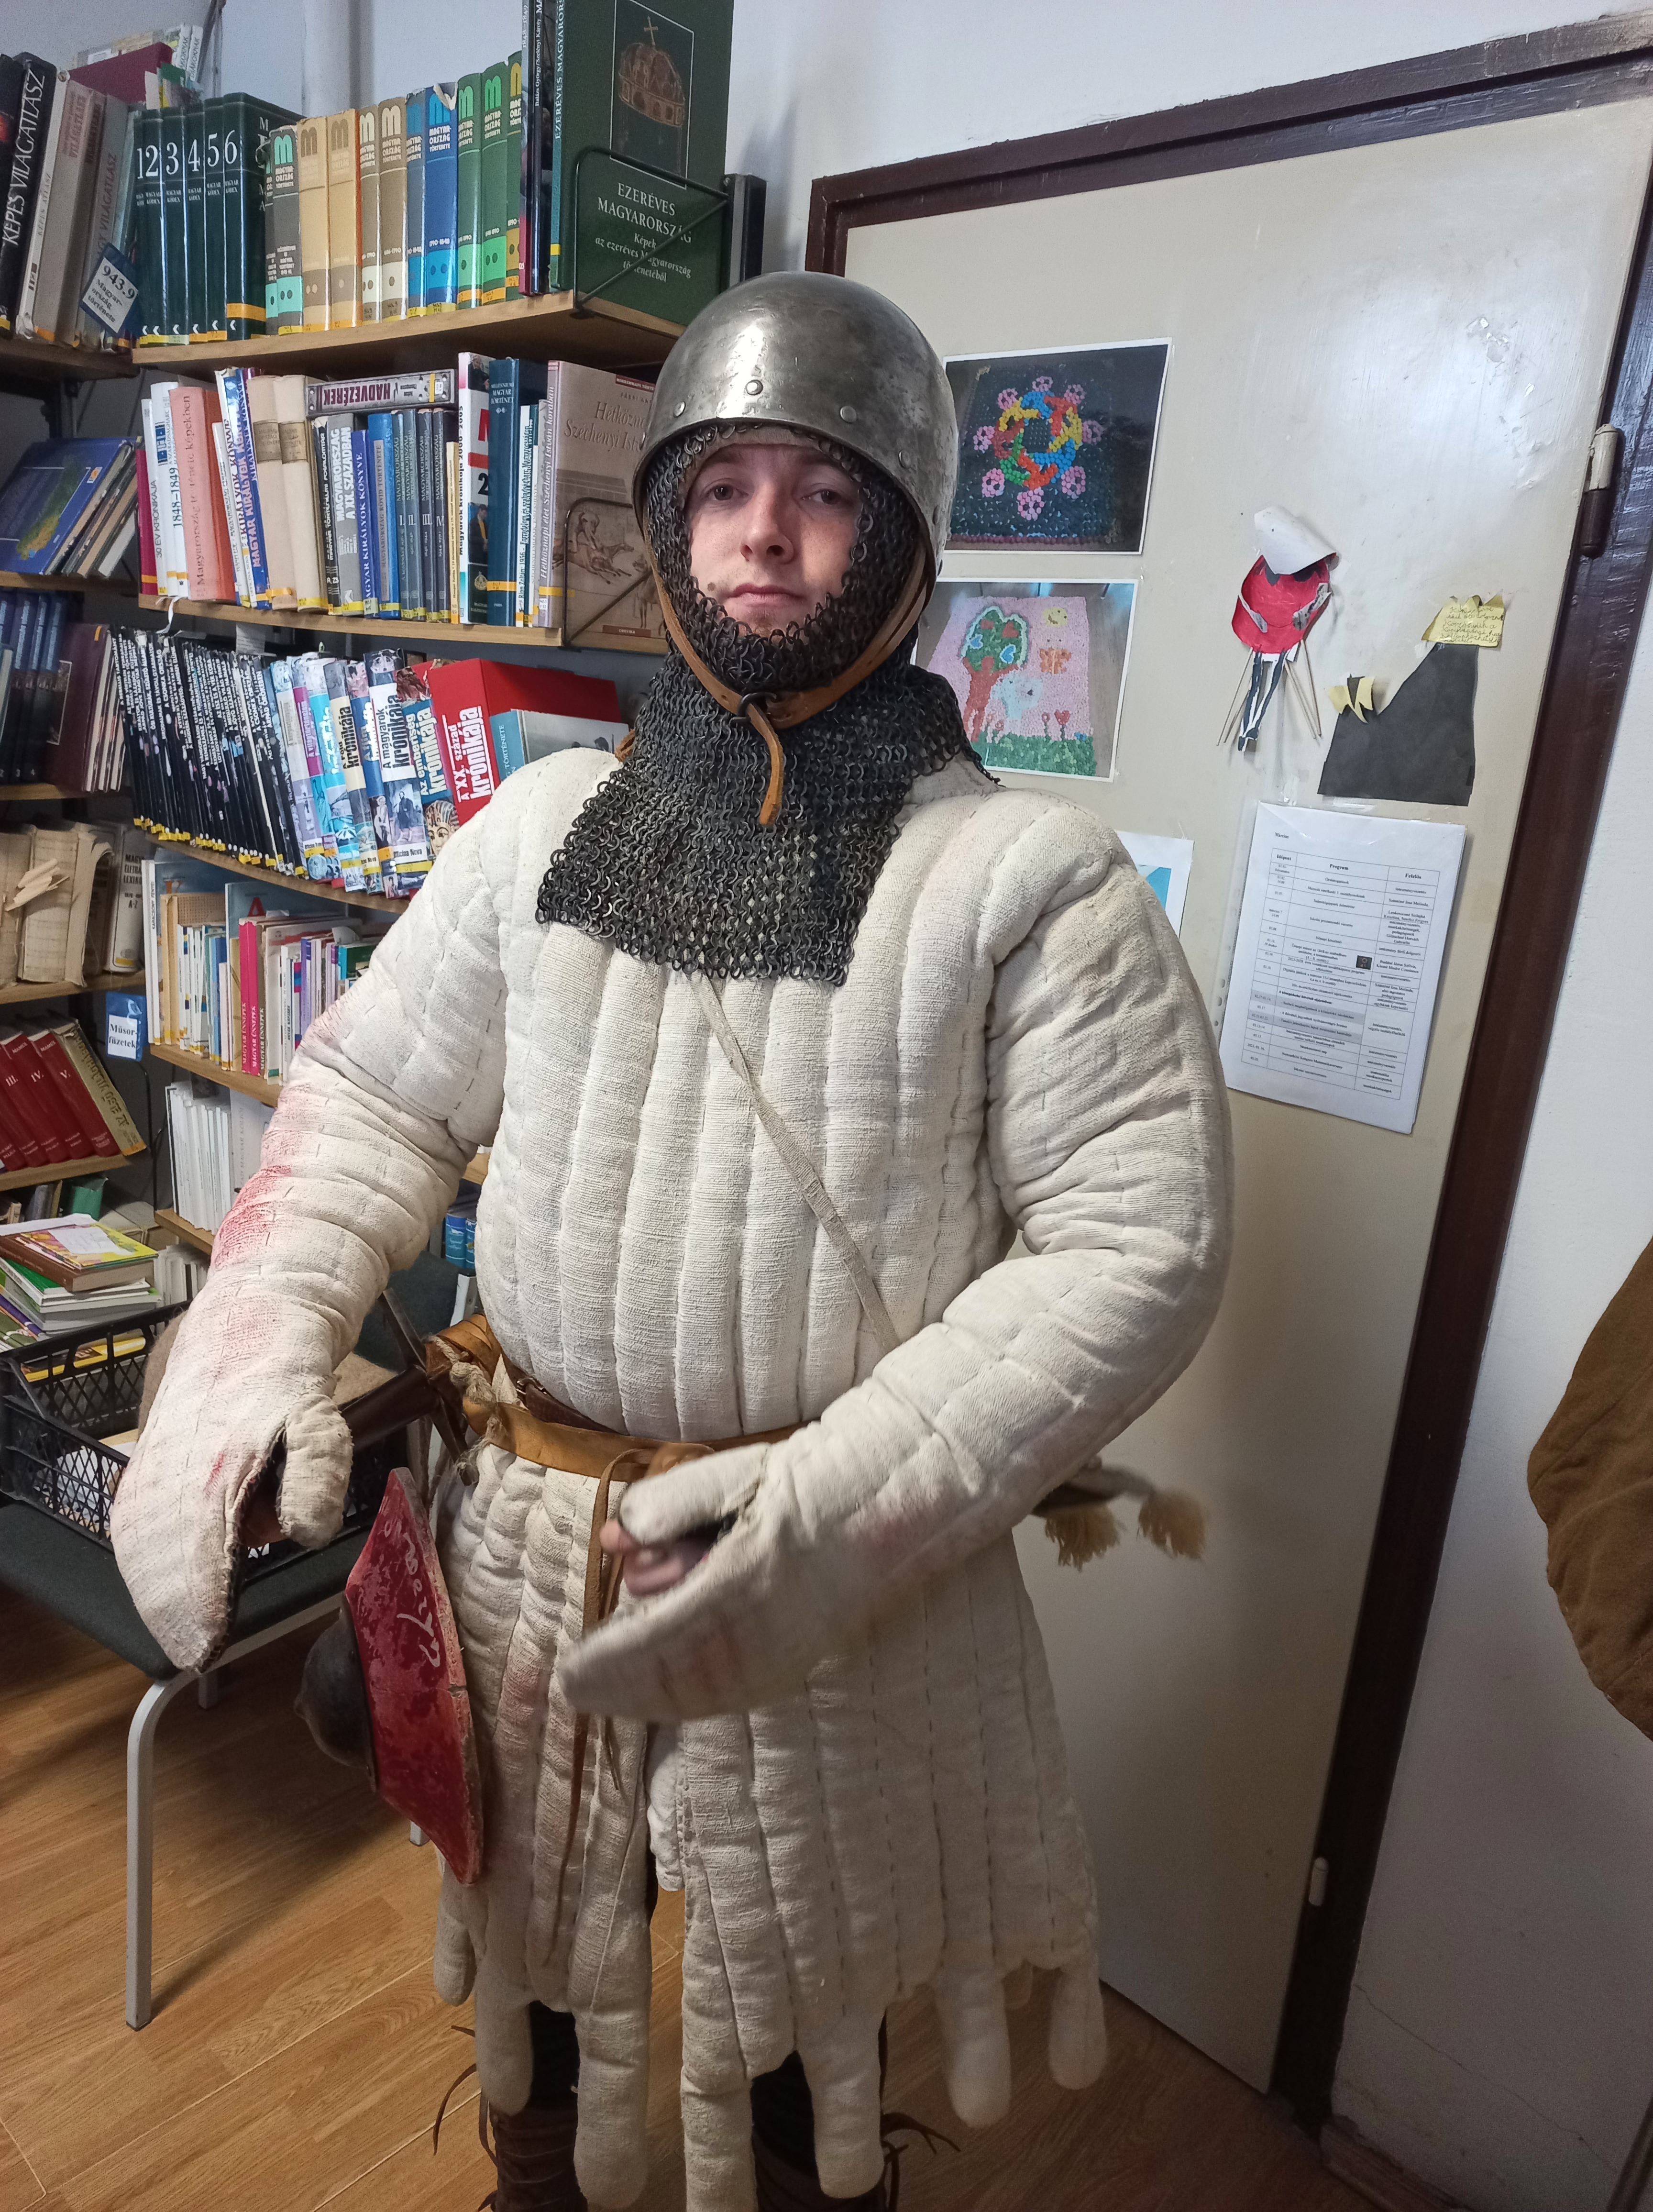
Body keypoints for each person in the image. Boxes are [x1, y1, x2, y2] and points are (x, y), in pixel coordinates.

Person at [111, 271, 1233, 2212]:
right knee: (540, 1974)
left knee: (804, 2001)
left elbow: (1138, 1244)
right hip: (532, 1535)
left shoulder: (1029, 882)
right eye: (725, 487)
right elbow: (375, 1093)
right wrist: (261, 1331)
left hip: (838, 1575)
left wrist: (834, 1512)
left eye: (823, 491)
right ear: (671, 521)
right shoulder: (546, 821)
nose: (765, 532)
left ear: (901, 536)